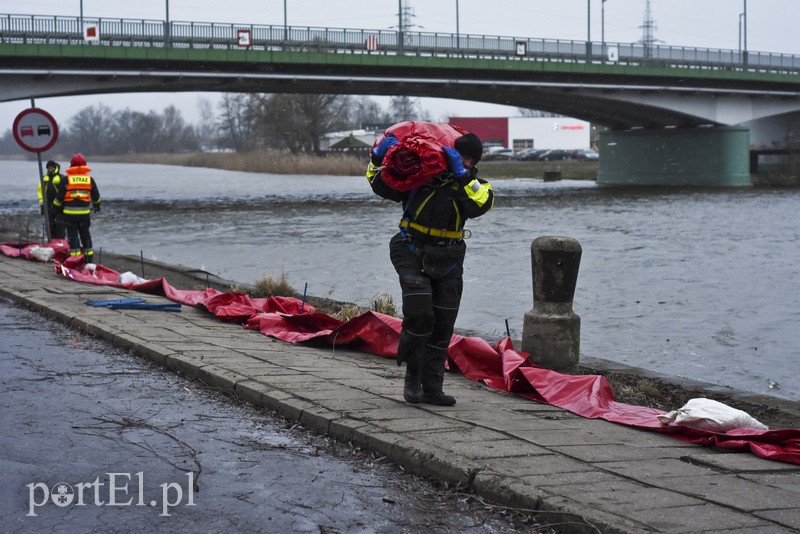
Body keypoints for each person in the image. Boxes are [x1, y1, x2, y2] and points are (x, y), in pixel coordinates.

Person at [366, 131, 494, 406]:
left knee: (442, 324)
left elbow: (481, 205)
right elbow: (381, 184)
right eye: (461, 156)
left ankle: (432, 387)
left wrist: (461, 175)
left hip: (449, 257)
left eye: (470, 159)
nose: (465, 161)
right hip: (410, 248)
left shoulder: (475, 184)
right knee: (420, 313)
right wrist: (377, 159)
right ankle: (412, 380)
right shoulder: (419, 174)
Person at [53, 153, 101, 262]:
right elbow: (96, 196)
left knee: (73, 237)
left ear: (71, 165)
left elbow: (59, 198)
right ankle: (88, 260)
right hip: (84, 215)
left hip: (69, 215)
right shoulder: (89, 179)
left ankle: (74, 260)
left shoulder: (67, 179)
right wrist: (97, 206)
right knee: (86, 236)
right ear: (85, 165)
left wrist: (55, 209)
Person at [36, 160, 66, 240]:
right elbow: (40, 191)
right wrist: (42, 203)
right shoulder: (44, 178)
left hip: (59, 205)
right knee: (49, 224)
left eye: (52, 167)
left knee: (60, 224)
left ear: (55, 168)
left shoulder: (62, 178)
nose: (50, 169)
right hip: (48, 204)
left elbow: (65, 191)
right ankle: (51, 240)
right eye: (49, 168)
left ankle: (61, 240)